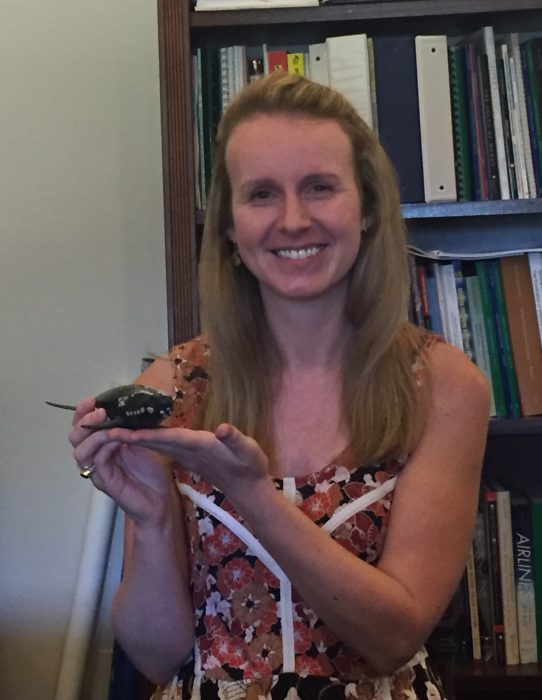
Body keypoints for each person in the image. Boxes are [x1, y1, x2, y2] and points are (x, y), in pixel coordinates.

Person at [70, 72, 490, 700]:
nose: (293, 220)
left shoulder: (443, 386)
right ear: (231, 228)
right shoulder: (170, 387)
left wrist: (252, 495)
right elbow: (158, 655)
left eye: (320, 187)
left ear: (368, 208)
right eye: (262, 194)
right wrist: (155, 521)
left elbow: (393, 637)